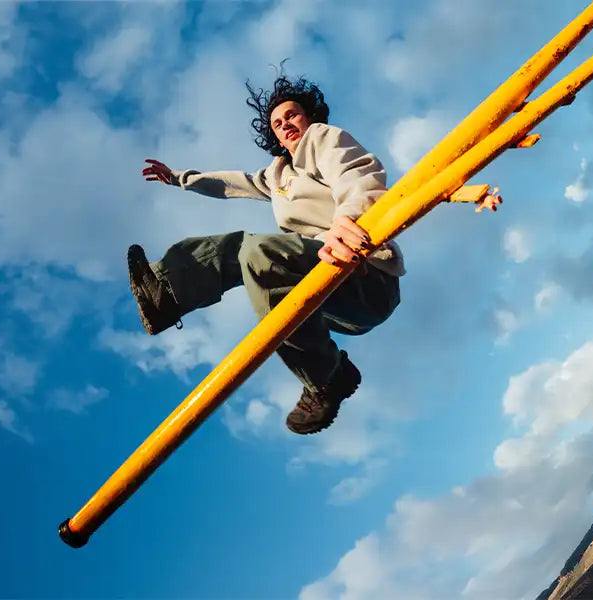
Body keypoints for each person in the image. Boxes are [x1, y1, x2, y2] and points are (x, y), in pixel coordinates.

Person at [127, 72, 500, 435]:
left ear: (308, 117)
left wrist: (348, 219)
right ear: (274, 136)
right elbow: (233, 182)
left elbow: (355, 172)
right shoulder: (277, 177)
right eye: (277, 123)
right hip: (327, 292)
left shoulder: (322, 140)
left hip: (366, 275)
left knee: (258, 253)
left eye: (292, 115)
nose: (286, 124)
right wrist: (179, 178)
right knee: (239, 249)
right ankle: (166, 293)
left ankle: (325, 380)